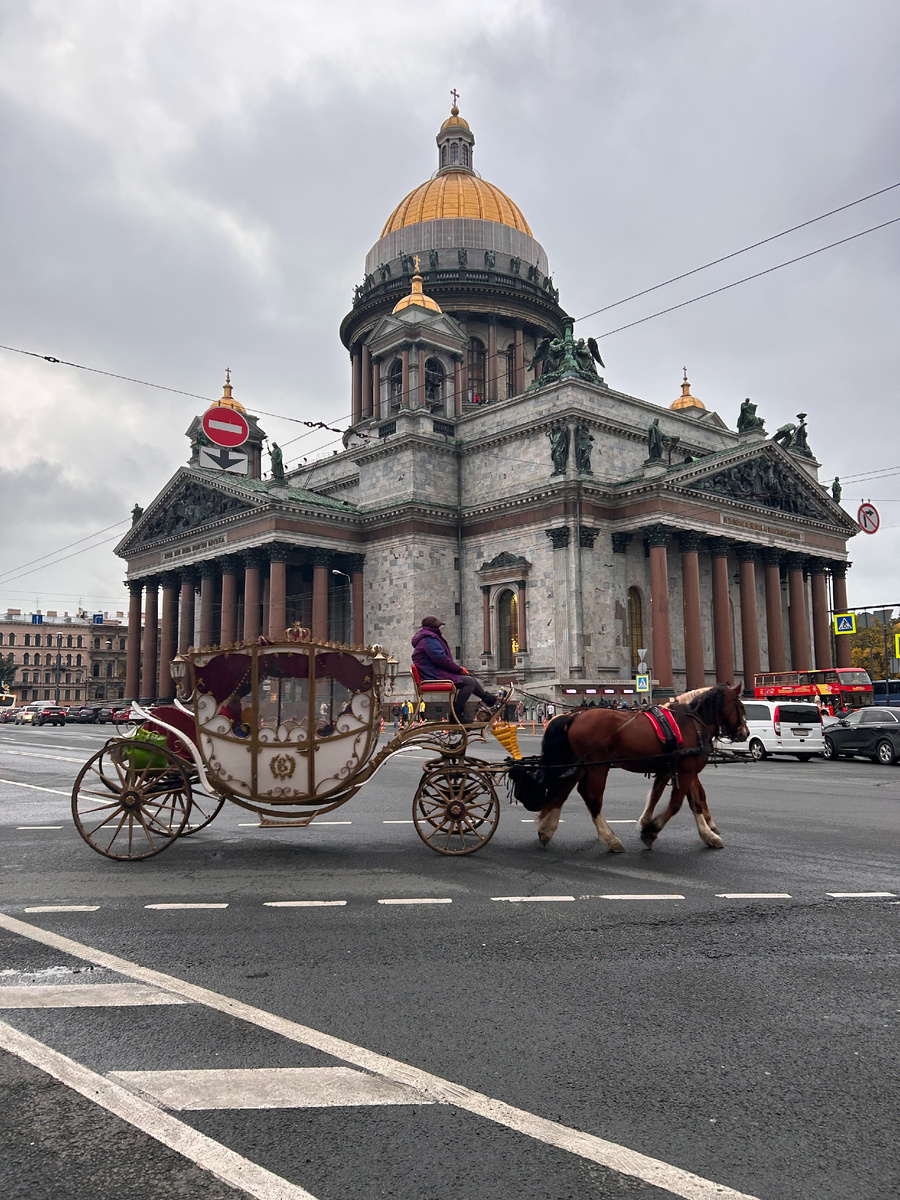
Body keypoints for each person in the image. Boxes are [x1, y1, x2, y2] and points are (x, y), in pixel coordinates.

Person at [411, 615, 498, 723]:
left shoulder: (427, 638)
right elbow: (442, 660)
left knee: (468, 678)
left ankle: (487, 698)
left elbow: (442, 660)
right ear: (433, 627)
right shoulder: (429, 640)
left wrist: (459, 669)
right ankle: (457, 715)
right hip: (433, 675)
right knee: (468, 682)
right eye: (439, 627)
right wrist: (459, 670)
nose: (440, 629)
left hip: (433, 673)